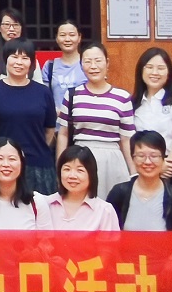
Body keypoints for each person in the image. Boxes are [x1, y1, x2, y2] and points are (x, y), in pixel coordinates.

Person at [56, 42, 135, 198]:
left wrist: (133, 171)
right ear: (81, 65)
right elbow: (63, 134)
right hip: (80, 159)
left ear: (107, 62)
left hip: (112, 160)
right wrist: (60, 167)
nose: (93, 66)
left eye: (98, 60)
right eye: (87, 61)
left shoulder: (122, 97)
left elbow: (126, 139)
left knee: (112, 205)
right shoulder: (72, 95)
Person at [0, 38, 57, 194]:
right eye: (14, 56)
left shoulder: (43, 92)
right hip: (6, 165)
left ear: (31, 63)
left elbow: (50, 129)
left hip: (39, 164)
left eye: (25, 58)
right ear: (6, 59)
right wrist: (1, 148)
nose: (19, 62)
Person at [106, 131, 172, 231]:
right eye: (141, 156)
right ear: (133, 158)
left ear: (163, 159)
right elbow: (107, 230)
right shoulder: (119, 192)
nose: (147, 162)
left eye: (154, 156)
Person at [131, 47, 172, 178]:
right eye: (149, 67)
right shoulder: (134, 104)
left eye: (161, 68)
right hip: (144, 167)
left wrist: (164, 165)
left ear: (168, 73)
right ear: (141, 70)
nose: (155, 72)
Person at [0, 138, 53, 230]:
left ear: (21, 164)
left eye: (12, 159)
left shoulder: (37, 201)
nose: (6, 164)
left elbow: (46, 239)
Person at [40, 145, 119, 231]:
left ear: (91, 174)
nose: (72, 176)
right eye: (67, 169)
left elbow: (111, 240)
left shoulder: (105, 211)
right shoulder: (45, 204)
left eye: (80, 170)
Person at [0, 8, 42, 91]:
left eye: (16, 25)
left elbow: (39, 87)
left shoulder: (29, 55)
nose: (11, 29)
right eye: (7, 24)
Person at [41, 20, 87, 116]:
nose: (67, 39)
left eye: (72, 35)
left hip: (83, 121)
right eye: (62, 35)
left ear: (79, 38)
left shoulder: (87, 63)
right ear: (57, 38)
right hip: (56, 122)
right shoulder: (50, 66)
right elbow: (43, 96)